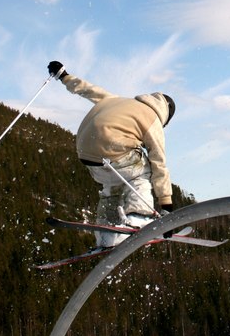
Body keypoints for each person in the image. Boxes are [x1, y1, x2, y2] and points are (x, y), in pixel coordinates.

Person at [47, 61, 176, 247]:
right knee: (143, 169)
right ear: (166, 115)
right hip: (112, 151)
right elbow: (160, 164)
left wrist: (64, 76)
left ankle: (105, 234)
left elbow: (88, 89)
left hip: (87, 155)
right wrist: (166, 206)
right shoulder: (153, 119)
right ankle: (140, 216)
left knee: (112, 185)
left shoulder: (118, 100)